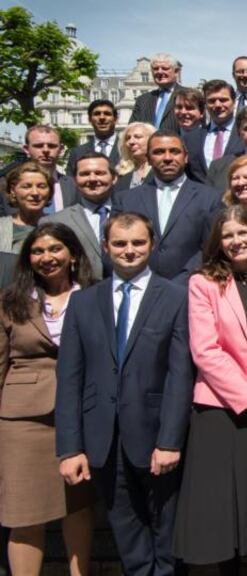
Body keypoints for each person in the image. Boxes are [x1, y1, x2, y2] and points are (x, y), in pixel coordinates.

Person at [55, 211, 193, 576]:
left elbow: (180, 375)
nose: (128, 251)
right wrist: (70, 448)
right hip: (103, 438)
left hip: (155, 436)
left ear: (152, 245)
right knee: (127, 533)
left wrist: (170, 441)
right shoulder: (83, 303)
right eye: (119, 243)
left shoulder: (176, 297)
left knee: (166, 535)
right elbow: (69, 378)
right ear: (105, 246)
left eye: (137, 243)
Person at [174, 206, 247, 574]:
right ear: (218, 242)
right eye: (228, 236)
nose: (236, 241)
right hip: (221, 408)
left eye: (243, 233)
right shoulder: (203, 283)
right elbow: (205, 351)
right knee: (223, 512)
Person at [0, 223, 95, 576]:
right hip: (23, 420)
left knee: (78, 506)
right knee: (23, 512)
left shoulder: (95, 296)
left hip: (81, 412)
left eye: (55, 249)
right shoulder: (10, 301)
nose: (46, 257)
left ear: (72, 254)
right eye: (37, 251)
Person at [114, 130, 224, 281]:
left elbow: (211, 247)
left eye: (174, 151)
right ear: (148, 159)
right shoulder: (126, 200)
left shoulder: (211, 198)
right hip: (139, 287)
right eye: (159, 152)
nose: (167, 158)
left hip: (190, 288)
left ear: (185, 157)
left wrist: (180, 284)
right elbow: (115, 245)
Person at [41, 153, 116, 281]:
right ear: (75, 180)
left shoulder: (132, 212)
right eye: (84, 174)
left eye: (99, 173)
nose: (92, 179)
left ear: (114, 178)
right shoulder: (55, 221)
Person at [183, 79, 245, 184]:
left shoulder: (245, 135)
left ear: (234, 102)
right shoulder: (190, 138)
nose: (217, 105)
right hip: (201, 198)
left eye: (223, 100)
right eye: (211, 101)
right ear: (206, 104)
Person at [1, 162, 52, 254]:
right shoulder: (2, 227)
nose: (35, 193)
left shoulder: (59, 226)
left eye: (41, 186)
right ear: (13, 191)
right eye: (26, 186)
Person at [67, 99, 121, 175]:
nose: (102, 117)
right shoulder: (77, 153)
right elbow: (70, 183)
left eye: (107, 113)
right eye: (97, 114)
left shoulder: (129, 150)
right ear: (89, 120)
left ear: (115, 119)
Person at [129, 53, 182, 130]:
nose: (159, 72)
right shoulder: (142, 100)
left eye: (165, 68)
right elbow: (132, 129)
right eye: (155, 69)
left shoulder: (188, 95)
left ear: (176, 72)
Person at [113, 122, 156, 191]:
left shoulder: (160, 170)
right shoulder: (122, 173)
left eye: (137, 137)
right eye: (128, 138)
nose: (131, 142)